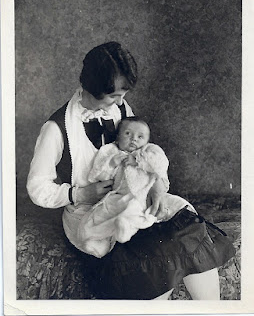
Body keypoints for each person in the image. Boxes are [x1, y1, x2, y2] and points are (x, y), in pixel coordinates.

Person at [27, 41, 235, 300]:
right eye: (114, 95)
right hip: (93, 215)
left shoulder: (120, 109)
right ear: (93, 87)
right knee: (154, 252)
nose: (121, 101)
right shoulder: (56, 129)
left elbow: (144, 153)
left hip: (131, 195)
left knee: (187, 229)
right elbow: (37, 187)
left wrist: (157, 184)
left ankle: (211, 310)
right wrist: (79, 194)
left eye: (123, 95)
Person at [77, 117, 196, 258]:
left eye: (140, 137)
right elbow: (96, 175)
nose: (134, 139)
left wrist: (138, 160)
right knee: (97, 217)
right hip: (118, 195)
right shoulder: (110, 151)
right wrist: (111, 164)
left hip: (143, 194)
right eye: (128, 134)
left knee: (133, 210)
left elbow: (160, 164)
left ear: (147, 140)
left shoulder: (148, 151)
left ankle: (126, 227)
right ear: (117, 137)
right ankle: (100, 242)